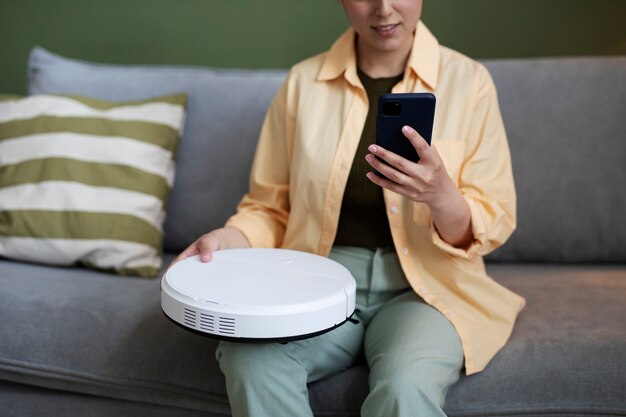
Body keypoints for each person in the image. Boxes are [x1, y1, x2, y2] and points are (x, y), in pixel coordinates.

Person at [173, 0, 526, 415]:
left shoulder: (470, 83)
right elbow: (270, 208)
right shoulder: (303, 83)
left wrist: (441, 196)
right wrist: (227, 238)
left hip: (428, 290)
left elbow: (491, 219)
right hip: (316, 281)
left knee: (405, 386)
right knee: (249, 358)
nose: (383, 8)